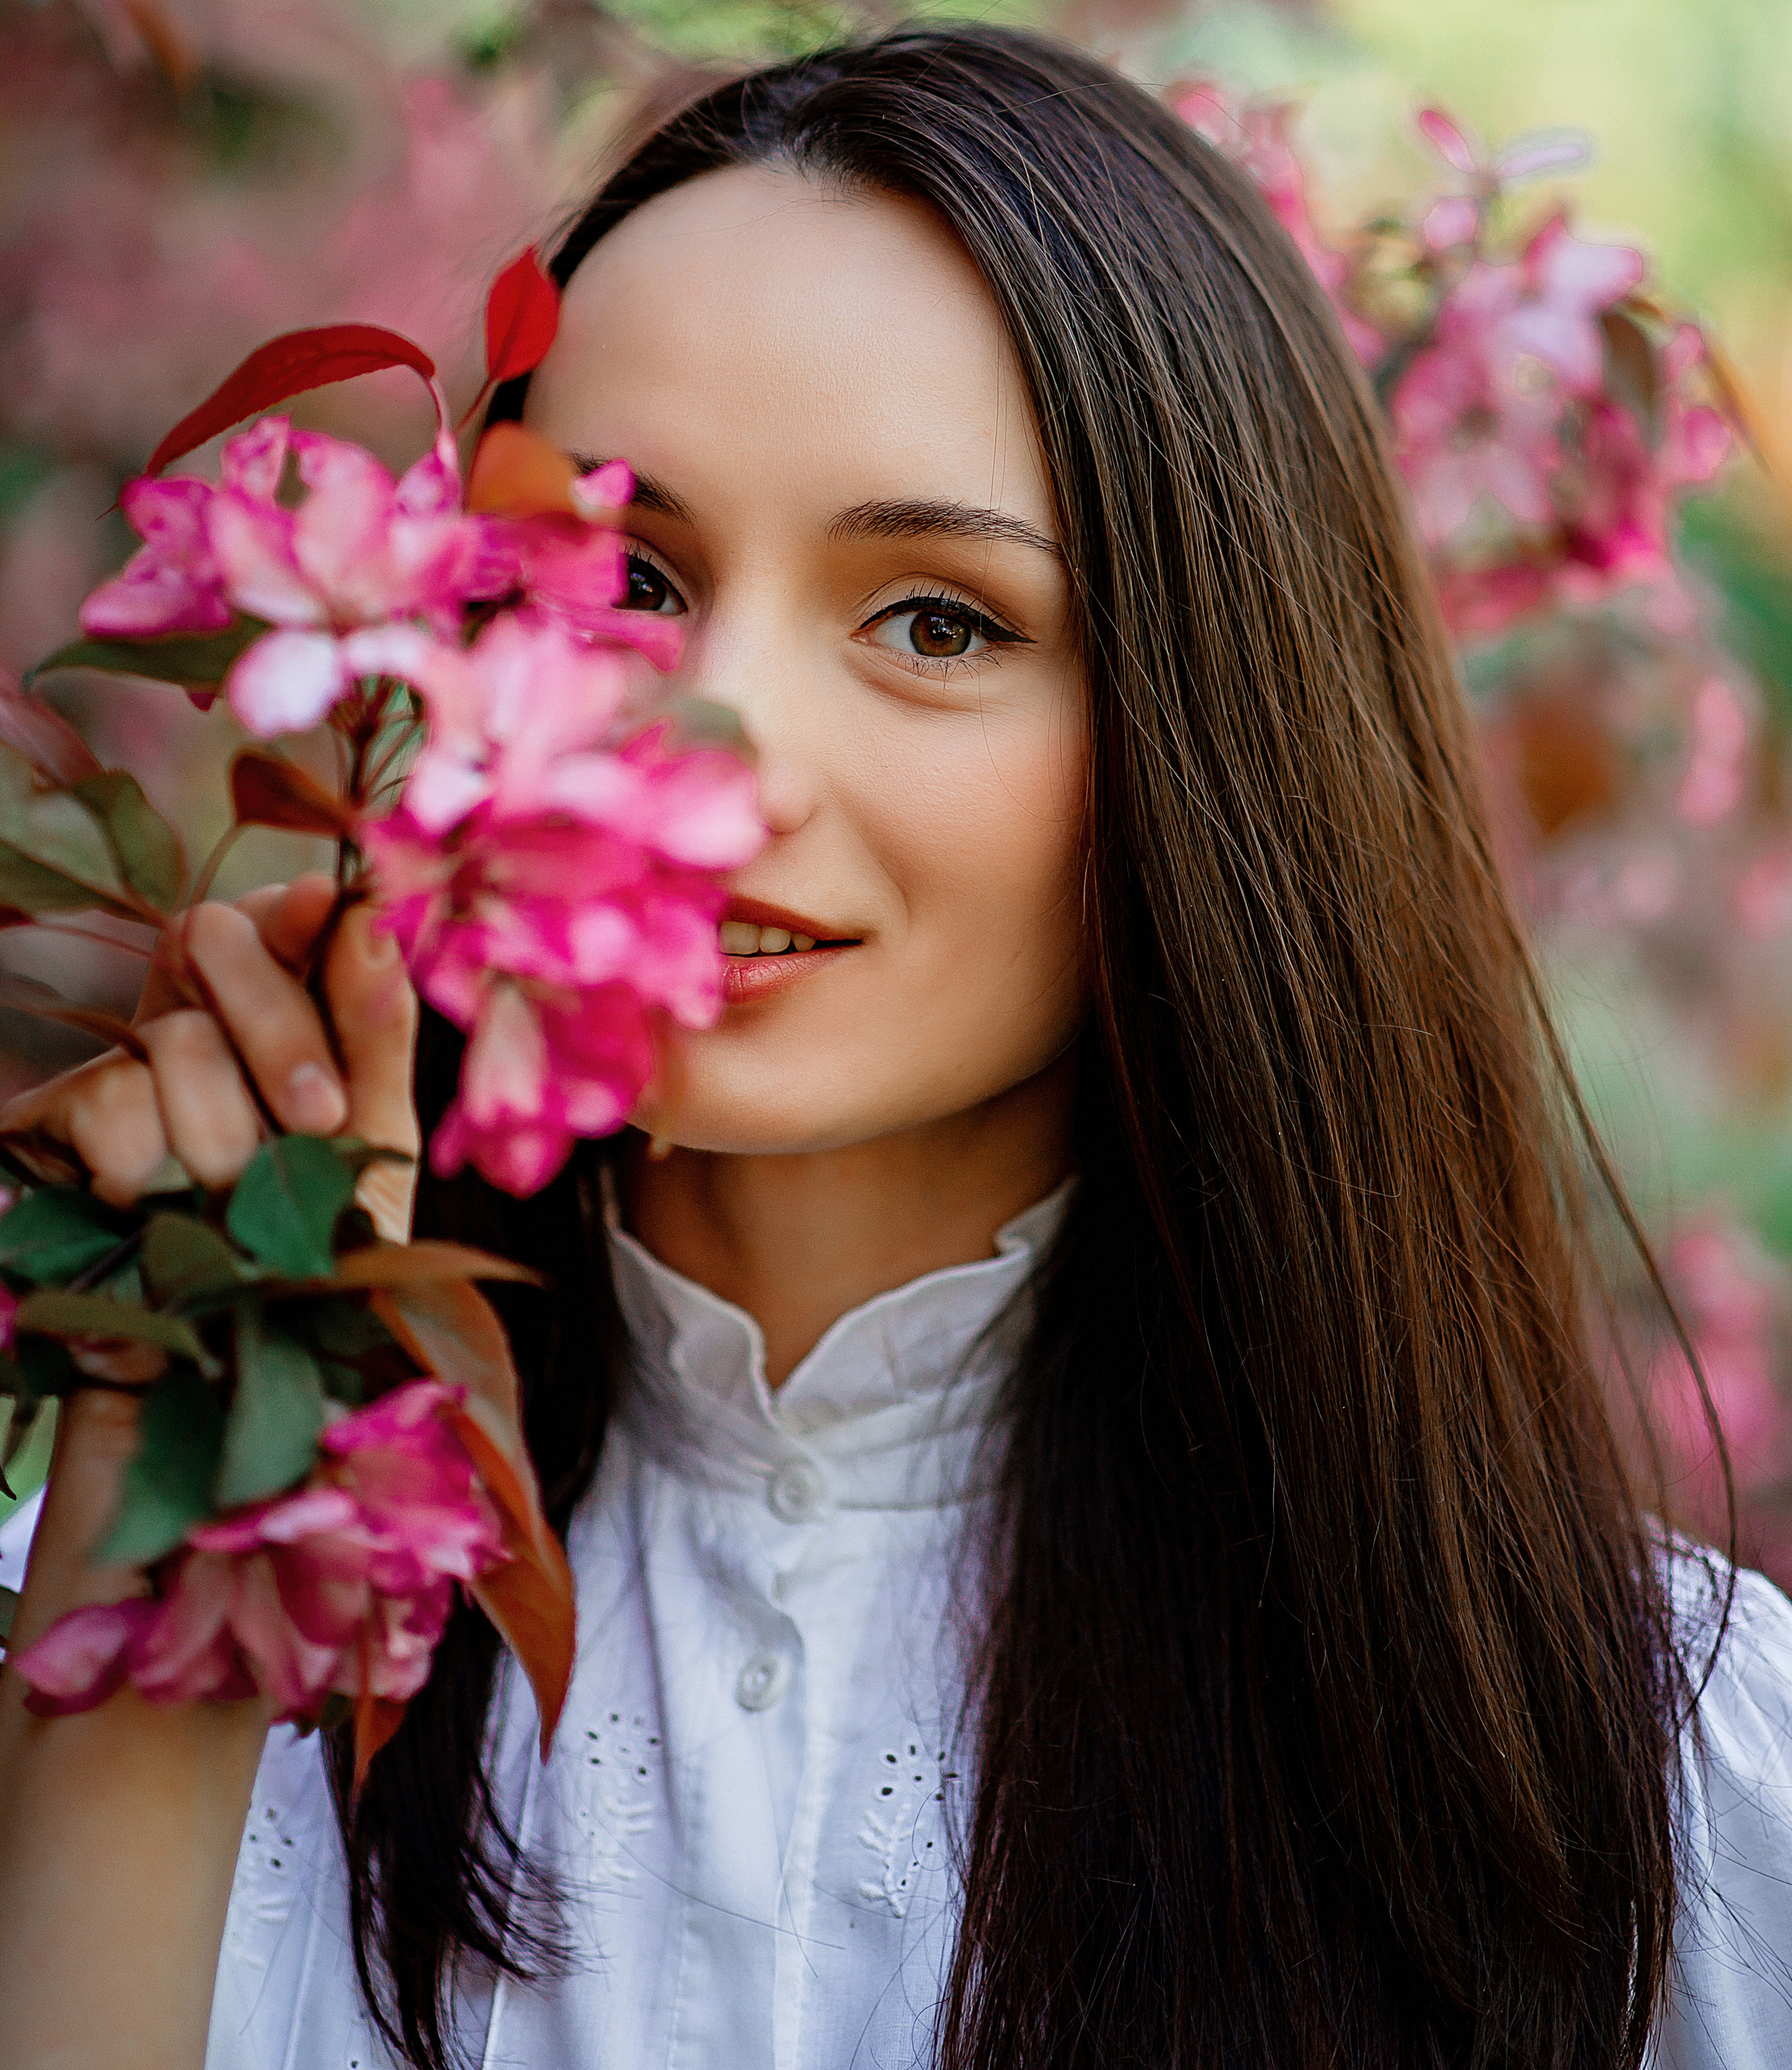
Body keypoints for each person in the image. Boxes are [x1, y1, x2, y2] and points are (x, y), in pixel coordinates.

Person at [1, 25, 1791, 2070]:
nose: (719, 756)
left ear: (1212, 740)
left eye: (937, 620)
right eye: (627, 580)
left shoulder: (1675, 1794)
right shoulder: (122, 1603)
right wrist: (163, 1613)